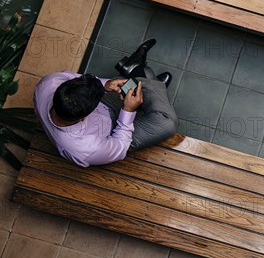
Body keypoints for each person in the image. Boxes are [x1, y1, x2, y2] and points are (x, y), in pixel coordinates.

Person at [34, 39, 178, 167]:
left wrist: (104, 85)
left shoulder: (50, 83)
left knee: (131, 87)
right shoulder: (87, 150)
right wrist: (128, 111)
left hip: (104, 106)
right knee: (167, 123)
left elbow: (83, 79)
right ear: (85, 115)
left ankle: (144, 78)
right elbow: (120, 146)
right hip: (113, 132)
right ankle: (142, 75)